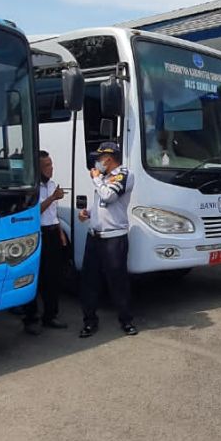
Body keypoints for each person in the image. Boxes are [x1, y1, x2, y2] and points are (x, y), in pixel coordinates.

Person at [78, 142, 138, 336]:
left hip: (114, 239)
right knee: (89, 282)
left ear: (109, 159)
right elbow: (103, 205)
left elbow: (110, 196)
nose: (97, 163)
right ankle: (89, 321)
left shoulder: (124, 175)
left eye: (100, 158)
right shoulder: (103, 178)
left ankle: (126, 321)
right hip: (94, 238)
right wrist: (88, 213)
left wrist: (96, 179)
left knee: (118, 282)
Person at [24, 150, 69, 335]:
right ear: (38, 168)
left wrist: (60, 232)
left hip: (52, 233)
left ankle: (50, 315)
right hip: (37, 234)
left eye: (51, 164)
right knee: (35, 277)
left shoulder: (52, 185)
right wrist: (52, 198)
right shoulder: (32, 188)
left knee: (53, 277)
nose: (51, 169)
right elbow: (36, 212)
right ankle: (30, 318)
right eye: (47, 166)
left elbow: (53, 213)